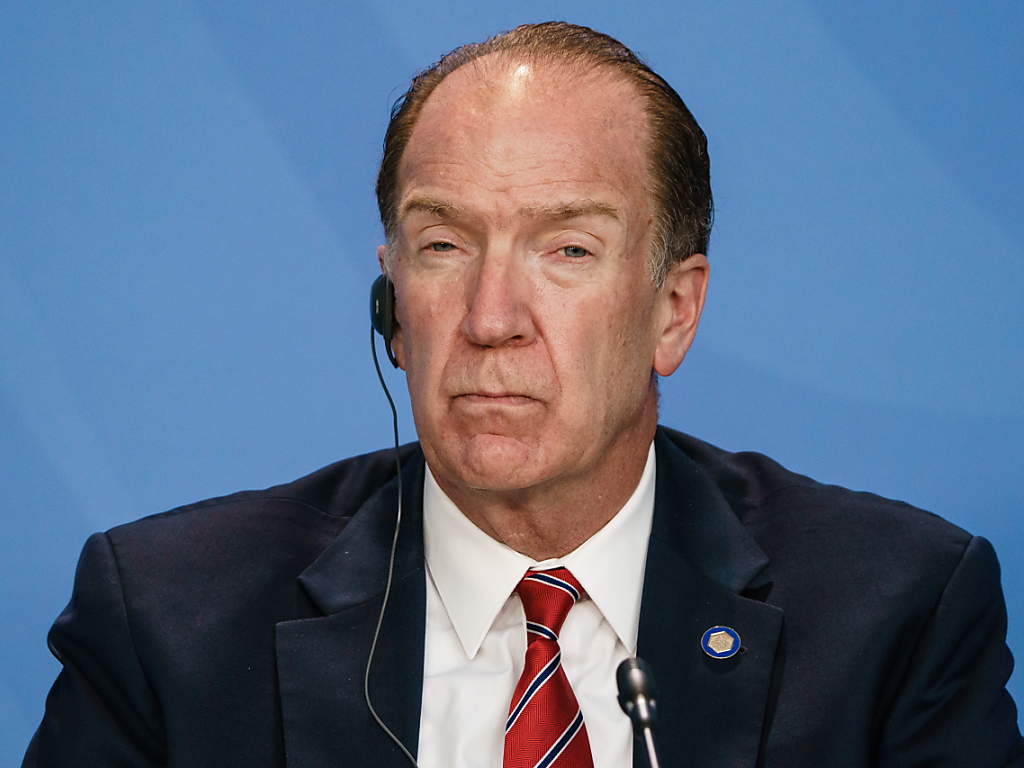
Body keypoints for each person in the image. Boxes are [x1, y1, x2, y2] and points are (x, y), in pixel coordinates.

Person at [23, 21, 1023, 768]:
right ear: (393, 307)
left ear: (673, 310)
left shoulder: (894, 616)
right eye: (443, 245)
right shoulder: (169, 624)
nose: (491, 316)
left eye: (568, 250)